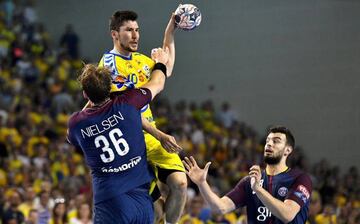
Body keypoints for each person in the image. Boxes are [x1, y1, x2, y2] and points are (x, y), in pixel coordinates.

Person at [98, 10, 187, 223]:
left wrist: (170, 31)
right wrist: (160, 134)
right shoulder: (109, 65)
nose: (136, 35)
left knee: (181, 184)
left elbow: (167, 67)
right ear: (115, 34)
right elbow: (125, 113)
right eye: (129, 30)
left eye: (137, 30)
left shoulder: (141, 60)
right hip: (128, 144)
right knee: (155, 212)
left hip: (152, 139)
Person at [67, 47, 169, 223]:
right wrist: (159, 62)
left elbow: (70, 137)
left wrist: (91, 98)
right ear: (109, 88)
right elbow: (158, 83)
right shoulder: (129, 103)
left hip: (110, 202)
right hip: (142, 201)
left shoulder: (77, 123)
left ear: (85, 94)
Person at [183, 126, 313, 224]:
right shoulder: (249, 182)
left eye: (276, 141)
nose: (269, 144)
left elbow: (287, 214)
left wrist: (258, 190)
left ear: (288, 150)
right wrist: (202, 183)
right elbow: (220, 208)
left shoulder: (300, 178)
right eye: (268, 140)